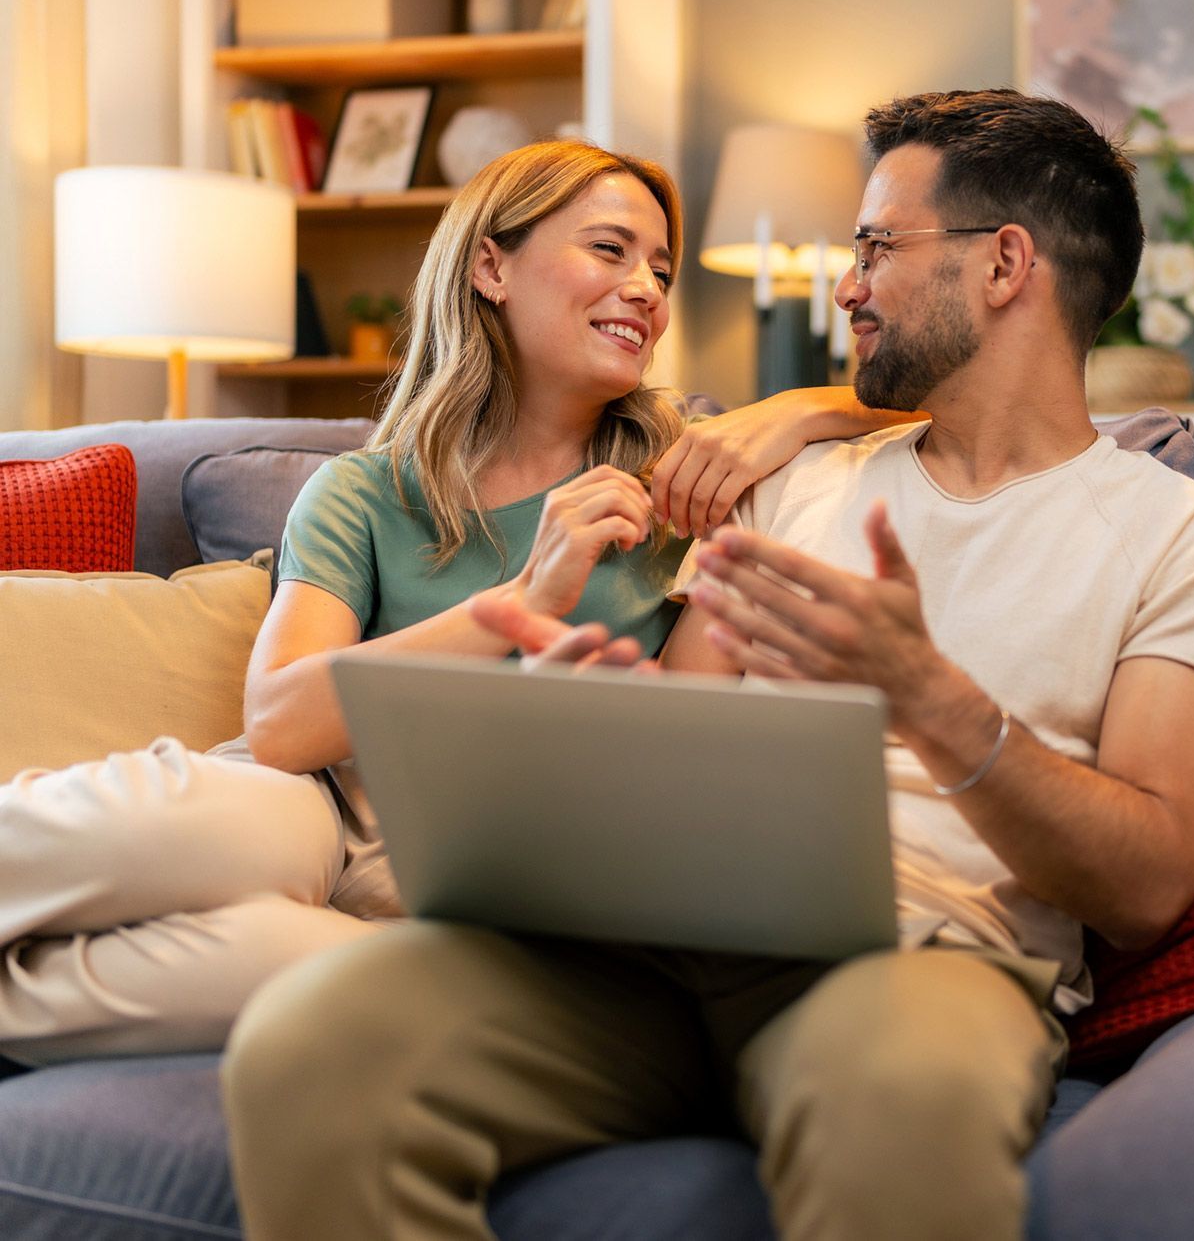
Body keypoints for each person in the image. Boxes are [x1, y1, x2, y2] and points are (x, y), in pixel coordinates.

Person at [221, 91, 1194, 1241]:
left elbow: (1147, 885)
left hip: (915, 954)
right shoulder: (796, 487)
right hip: (645, 946)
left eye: (878, 247)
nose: (846, 285)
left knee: (901, 1107)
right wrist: (591, 713)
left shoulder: (1190, 537)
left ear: (1005, 265)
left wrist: (928, 698)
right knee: (313, 1045)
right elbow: (677, 727)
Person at [0, 139, 906, 1067]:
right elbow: (278, 724)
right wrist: (520, 598)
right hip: (318, 799)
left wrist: (800, 407)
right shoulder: (366, 491)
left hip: (488, 858)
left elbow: (953, 406)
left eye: (661, 268)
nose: (647, 289)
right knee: (221, 833)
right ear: (490, 266)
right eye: (610, 250)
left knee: (334, 982)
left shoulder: (692, 477)